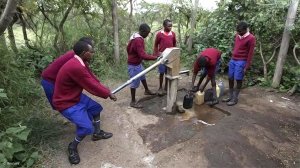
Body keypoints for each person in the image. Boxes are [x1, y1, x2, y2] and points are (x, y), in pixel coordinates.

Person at [52, 41, 117, 164]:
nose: (93, 53)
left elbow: (91, 78)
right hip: (65, 102)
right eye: (91, 52)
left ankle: (97, 134)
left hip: (74, 96)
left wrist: (103, 88)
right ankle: (72, 146)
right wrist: (108, 93)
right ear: (84, 53)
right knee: (86, 127)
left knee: (96, 108)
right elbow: (90, 85)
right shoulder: (75, 66)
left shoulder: (79, 61)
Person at [41, 37, 94, 108]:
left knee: (71, 101)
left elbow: (88, 73)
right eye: (91, 47)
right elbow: (86, 76)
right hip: (50, 81)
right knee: (63, 105)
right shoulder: (74, 56)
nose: (93, 49)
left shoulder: (78, 56)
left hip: (54, 81)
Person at [222, 21, 256, 106]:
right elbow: (236, 47)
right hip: (233, 59)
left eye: (240, 31)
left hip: (242, 61)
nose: (239, 33)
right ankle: (230, 96)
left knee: (238, 79)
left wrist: (246, 66)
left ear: (245, 29)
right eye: (238, 31)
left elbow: (250, 53)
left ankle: (235, 98)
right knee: (230, 77)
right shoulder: (238, 36)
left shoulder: (251, 38)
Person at [127, 23, 158, 108]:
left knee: (142, 76)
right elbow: (143, 55)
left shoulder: (135, 36)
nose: (147, 35)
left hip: (137, 63)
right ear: (142, 31)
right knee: (134, 82)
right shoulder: (138, 40)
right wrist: (155, 58)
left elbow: (129, 49)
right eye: (147, 33)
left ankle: (147, 90)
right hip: (133, 65)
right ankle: (133, 102)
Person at [153, 19, 177, 96]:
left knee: (168, 72)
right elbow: (156, 44)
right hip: (162, 56)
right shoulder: (159, 34)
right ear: (164, 26)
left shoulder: (172, 34)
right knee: (162, 72)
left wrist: (174, 54)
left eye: (171, 26)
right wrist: (156, 53)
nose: (170, 27)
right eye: (169, 25)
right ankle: (160, 87)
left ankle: (166, 87)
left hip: (170, 56)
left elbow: (174, 44)